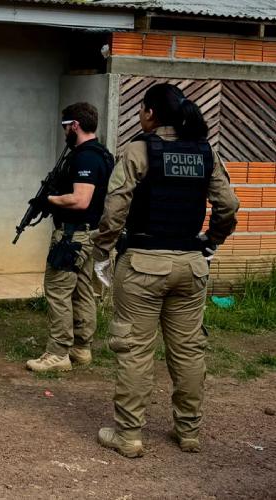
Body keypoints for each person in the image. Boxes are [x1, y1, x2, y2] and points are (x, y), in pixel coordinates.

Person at [92, 83, 238, 458]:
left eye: (142, 109)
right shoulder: (205, 152)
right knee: (189, 350)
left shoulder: (138, 151)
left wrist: (102, 249)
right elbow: (229, 205)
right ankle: (188, 431)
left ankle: (128, 436)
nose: (140, 115)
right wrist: (212, 240)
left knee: (135, 350)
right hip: (191, 266)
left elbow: (115, 208)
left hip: (142, 265)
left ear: (152, 113)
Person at [26, 103, 113, 372]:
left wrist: (49, 200)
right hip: (90, 234)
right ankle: (81, 347)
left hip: (72, 236)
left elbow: (80, 199)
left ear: (75, 125)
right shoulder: (103, 154)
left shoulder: (85, 158)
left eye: (66, 127)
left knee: (57, 288)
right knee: (82, 289)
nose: (64, 132)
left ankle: (58, 353)